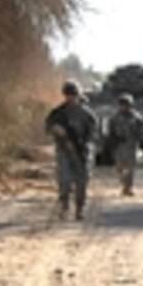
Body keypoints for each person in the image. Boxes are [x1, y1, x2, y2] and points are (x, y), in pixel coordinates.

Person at [45, 79, 98, 220]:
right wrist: (57, 131)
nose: (71, 98)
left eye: (73, 95)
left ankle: (79, 208)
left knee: (82, 181)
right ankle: (64, 206)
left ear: (78, 95)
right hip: (64, 150)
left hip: (82, 152)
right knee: (64, 180)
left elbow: (94, 132)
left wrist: (86, 144)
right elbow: (48, 127)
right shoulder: (58, 113)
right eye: (68, 94)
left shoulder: (87, 115)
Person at [108, 93, 143, 196]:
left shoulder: (136, 117)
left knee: (130, 168)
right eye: (122, 105)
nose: (123, 107)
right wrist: (110, 142)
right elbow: (110, 131)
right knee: (120, 168)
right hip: (118, 146)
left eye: (126, 105)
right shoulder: (114, 117)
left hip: (131, 145)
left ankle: (128, 188)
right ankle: (124, 185)